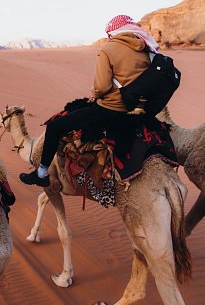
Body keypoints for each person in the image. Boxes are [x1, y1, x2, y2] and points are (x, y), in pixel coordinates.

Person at [19, 15, 159, 187]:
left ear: (113, 31)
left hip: (111, 108)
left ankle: (41, 173)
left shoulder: (108, 49)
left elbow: (102, 86)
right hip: (137, 110)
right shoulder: (146, 48)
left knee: (55, 126)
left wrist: (96, 94)